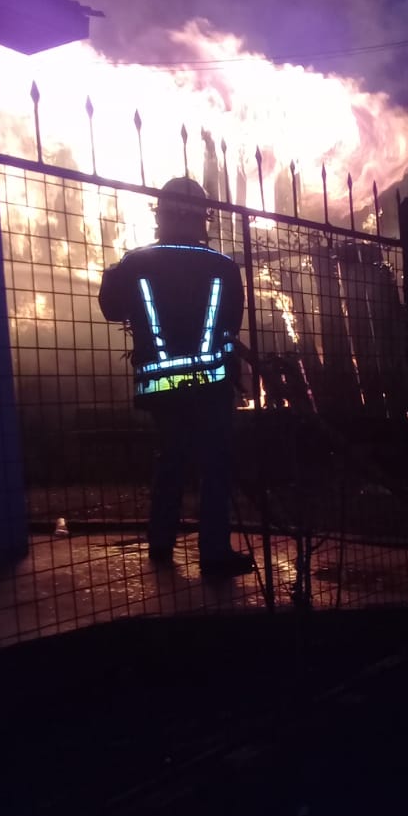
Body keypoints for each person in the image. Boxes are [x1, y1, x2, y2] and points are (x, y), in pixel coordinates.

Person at [98, 177, 254, 577]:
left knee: (171, 461)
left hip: (160, 388)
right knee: (214, 465)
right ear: (204, 219)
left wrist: (111, 272)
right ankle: (214, 551)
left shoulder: (136, 262)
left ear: (161, 215)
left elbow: (113, 310)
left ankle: (161, 542)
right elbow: (230, 324)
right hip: (211, 384)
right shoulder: (223, 266)